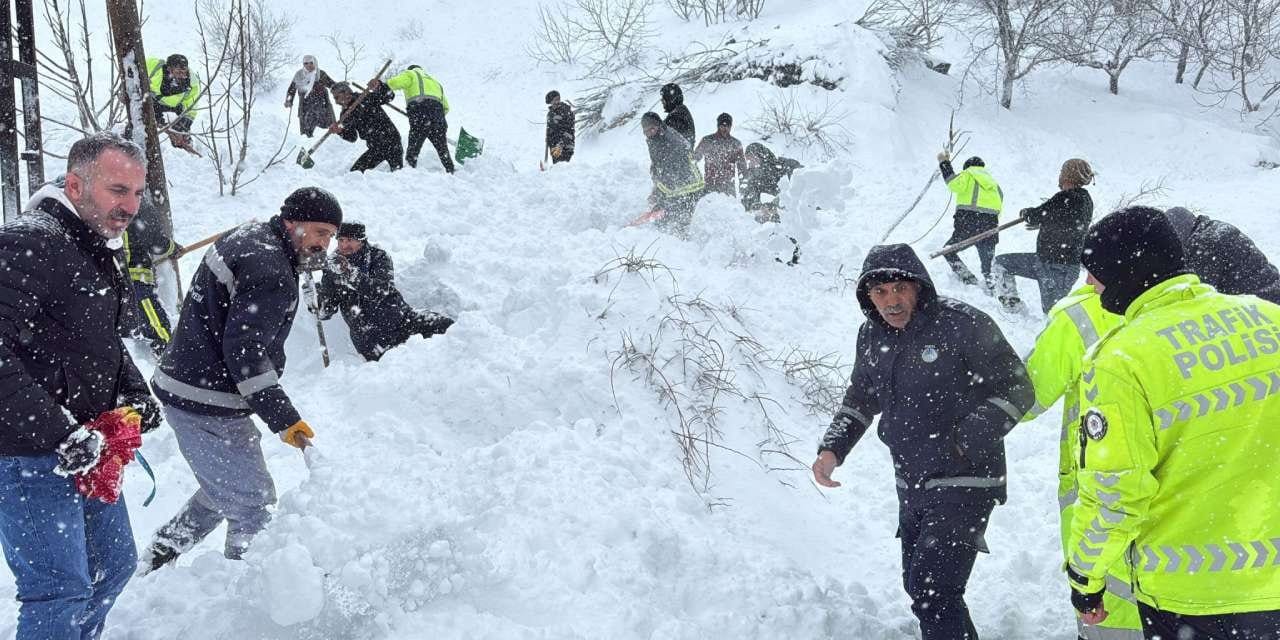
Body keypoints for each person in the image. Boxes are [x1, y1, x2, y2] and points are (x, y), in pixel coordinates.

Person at [1066, 206, 1280, 639]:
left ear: (1126, 271)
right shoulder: (1268, 318)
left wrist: (1084, 579)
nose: (1089, 284)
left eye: (1095, 271)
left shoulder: (1122, 361)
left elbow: (1114, 494)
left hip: (1194, 593)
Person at [812, 243, 1034, 640]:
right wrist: (832, 449)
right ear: (868, 298)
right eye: (880, 293)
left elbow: (1017, 387)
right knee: (921, 588)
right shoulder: (870, 336)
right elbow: (861, 397)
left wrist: (966, 438)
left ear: (918, 287)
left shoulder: (962, 324)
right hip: (911, 480)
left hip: (966, 478)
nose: (891, 301)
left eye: (899, 289)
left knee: (935, 591)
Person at [0, 132, 162, 639]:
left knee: (112, 566)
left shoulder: (95, 247)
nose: (130, 206)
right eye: (118, 190)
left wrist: (134, 392)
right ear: (75, 184)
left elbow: (99, 342)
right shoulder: (30, 242)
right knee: (60, 589)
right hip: (27, 455)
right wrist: (59, 431)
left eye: (137, 193)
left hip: (87, 447)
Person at [142, 187, 342, 572]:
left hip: (189, 382)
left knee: (225, 488)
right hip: (207, 399)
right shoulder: (272, 271)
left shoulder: (249, 237)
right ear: (291, 223)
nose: (324, 244)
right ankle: (246, 596)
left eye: (330, 236)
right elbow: (245, 354)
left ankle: (161, 552)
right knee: (253, 503)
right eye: (318, 232)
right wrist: (284, 418)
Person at [1022, 281, 1138, 640]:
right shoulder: (1207, 312)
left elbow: (1028, 397)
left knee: (1111, 604)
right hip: (1190, 499)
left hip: (1099, 485)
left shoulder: (1079, 317)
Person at [318, 222, 455, 361]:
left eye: (350, 240)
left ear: (361, 240)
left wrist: (351, 274)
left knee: (451, 329)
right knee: (398, 369)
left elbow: (381, 291)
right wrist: (317, 300)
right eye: (340, 240)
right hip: (371, 340)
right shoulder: (332, 269)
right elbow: (326, 310)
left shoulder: (378, 257)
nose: (344, 245)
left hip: (404, 321)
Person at [992, 158, 1094, 314]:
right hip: (1057, 264)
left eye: (1062, 172)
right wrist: (1046, 223)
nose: (1059, 176)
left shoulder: (1065, 197)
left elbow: (1036, 214)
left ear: (1068, 176)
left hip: (1054, 266)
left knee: (1054, 315)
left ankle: (1015, 310)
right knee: (1002, 264)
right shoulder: (1086, 200)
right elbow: (1067, 222)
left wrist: (1027, 213)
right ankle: (1013, 307)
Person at [1164, 206, 1280, 304]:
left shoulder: (1203, 245)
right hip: (1270, 292)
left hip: (1259, 304)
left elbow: (1198, 291)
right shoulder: (1215, 230)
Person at [121, 199, 179, 357]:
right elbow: (156, 242)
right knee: (159, 328)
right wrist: (173, 248)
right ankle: (169, 357)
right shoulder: (139, 204)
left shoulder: (105, 199)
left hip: (112, 280)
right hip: (135, 278)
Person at [937, 153, 1003, 290]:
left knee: (948, 250)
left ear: (967, 167)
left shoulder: (968, 174)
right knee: (988, 263)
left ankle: (968, 279)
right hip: (991, 226)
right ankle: (991, 284)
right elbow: (999, 205)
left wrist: (944, 162)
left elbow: (953, 184)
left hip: (969, 223)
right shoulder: (994, 184)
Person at [641, 111, 704, 236]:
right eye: (646, 131)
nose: (649, 132)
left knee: (677, 223)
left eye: (652, 128)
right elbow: (658, 165)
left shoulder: (670, 141)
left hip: (689, 189)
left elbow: (669, 173)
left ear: (658, 125)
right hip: (678, 188)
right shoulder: (655, 139)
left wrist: (660, 196)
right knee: (667, 220)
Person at [385, 65, 453, 173]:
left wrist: (382, 85)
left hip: (420, 112)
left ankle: (409, 170)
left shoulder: (411, 74)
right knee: (442, 148)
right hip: (438, 116)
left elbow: (394, 83)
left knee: (414, 147)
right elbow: (447, 108)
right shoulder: (435, 82)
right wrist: (434, 117)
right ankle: (451, 170)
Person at [329, 81, 403, 173]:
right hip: (376, 147)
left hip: (392, 141)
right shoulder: (345, 114)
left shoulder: (364, 98)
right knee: (355, 173)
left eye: (336, 97)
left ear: (346, 93)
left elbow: (389, 96)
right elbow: (352, 137)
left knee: (398, 174)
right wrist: (340, 131)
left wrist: (379, 86)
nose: (336, 102)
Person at [146, 54, 200, 151]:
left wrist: (183, 125)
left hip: (176, 107)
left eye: (184, 71)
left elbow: (191, 107)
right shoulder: (155, 66)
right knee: (143, 123)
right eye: (178, 72)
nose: (183, 75)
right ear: (169, 69)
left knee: (180, 134)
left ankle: (186, 146)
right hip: (153, 102)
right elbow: (134, 67)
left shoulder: (192, 83)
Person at [741, 142, 802, 222]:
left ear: (760, 156)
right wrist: (757, 207)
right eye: (748, 160)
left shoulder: (782, 167)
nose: (750, 163)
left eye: (752, 159)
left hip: (799, 209)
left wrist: (774, 204)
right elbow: (748, 198)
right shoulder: (754, 175)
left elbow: (798, 188)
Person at [693, 113, 745, 197]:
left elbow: (742, 167)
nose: (725, 129)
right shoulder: (708, 140)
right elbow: (695, 158)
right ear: (718, 126)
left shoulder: (735, 144)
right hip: (710, 185)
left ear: (731, 127)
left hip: (728, 187)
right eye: (722, 126)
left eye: (727, 126)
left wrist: (744, 186)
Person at [284, 55, 336, 137]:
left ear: (315, 62)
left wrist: (342, 87)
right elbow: (292, 90)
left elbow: (332, 85)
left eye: (311, 63)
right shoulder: (299, 75)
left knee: (328, 130)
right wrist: (289, 101)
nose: (309, 65)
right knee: (307, 133)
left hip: (322, 107)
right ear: (303, 64)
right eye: (306, 63)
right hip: (306, 107)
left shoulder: (320, 74)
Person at [545, 90, 576, 164]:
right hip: (554, 144)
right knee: (557, 166)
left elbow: (570, 127)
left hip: (565, 144)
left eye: (558, 99)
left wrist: (561, 144)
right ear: (551, 102)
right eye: (555, 100)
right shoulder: (550, 114)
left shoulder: (565, 109)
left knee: (562, 165)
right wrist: (548, 139)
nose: (557, 101)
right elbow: (549, 129)